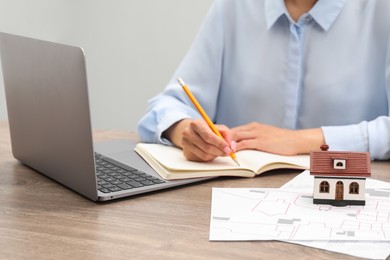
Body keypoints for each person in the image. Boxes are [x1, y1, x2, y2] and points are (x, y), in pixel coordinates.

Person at [137, 0, 390, 162]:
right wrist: (187, 133)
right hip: (235, 201)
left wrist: (302, 141)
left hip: (348, 201)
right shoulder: (232, 7)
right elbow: (165, 107)